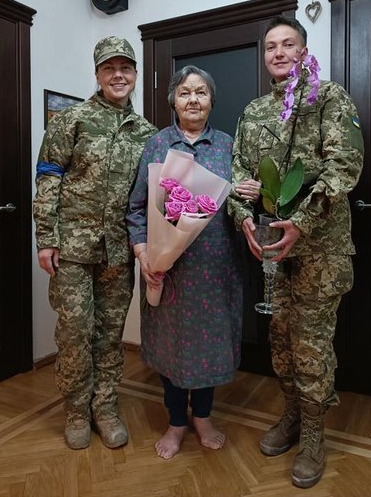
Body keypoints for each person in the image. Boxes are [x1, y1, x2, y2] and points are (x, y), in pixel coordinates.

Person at [228, 15, 364, 489]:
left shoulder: (328, 98)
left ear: (304, 52)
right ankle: (290, 416)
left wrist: (302, 222)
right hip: (273, 253)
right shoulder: (253, 113)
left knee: (310, 346)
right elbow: (238, 175)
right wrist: (242, 216)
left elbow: (344, 166)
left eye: (288, 44)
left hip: (319, 251)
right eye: (271, 47)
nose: (279, 53)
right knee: (281, 342)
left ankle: (313, 436)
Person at [126, 65, 260, 459]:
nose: (193, 100)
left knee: (209, 347)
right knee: (170, 346)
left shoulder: (228, 146)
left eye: (201, 92)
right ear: (173, 101)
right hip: (167, 269)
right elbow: (136, 207)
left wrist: (251, 192)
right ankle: (176, 422)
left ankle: (202, 417)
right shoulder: (157, 145)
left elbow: (240, 203)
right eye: (185, 92)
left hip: (217, 269)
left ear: (212, 100)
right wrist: (144, 253)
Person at [33, 36, 157, 450]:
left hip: (120, 250)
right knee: (74, 333)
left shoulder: (147, 133)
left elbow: (153, 195)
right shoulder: (72, 120)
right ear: (98, 74)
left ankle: (105, 408)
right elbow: (48, 178)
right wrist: (46, 238)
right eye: (109, 68)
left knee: (109, 334)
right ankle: (75, 411)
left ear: (135, 74)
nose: (118, 75)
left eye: (125, 68)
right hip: (72, 249)